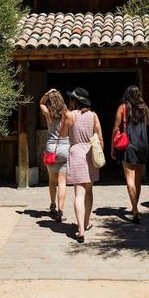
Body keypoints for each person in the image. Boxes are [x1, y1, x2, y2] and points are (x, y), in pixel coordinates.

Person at [64, 87, 103, 243]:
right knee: (89, 190)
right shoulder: (93, 116)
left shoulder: (70, 115)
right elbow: (99, 137)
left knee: (78, 194)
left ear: (75, 101)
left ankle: (80, 230)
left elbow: (63, 134)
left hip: (76, 153)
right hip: (89, 153)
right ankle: (86, 223)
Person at [111, 85, 149, 223]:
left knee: (130, 180)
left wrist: (112, 148)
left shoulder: (122, 108)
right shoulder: (144, 108)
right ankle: (135, 207)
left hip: (129, 146)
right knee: (138, 180)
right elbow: (148, 122)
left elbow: (116, 129)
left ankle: (135, 209)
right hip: (142, 145)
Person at [40, 89, 72, 222]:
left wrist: (47, 94)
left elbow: (41, 103)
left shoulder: (48, 114)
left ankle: (52, 204)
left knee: (52, 180)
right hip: (65, 147)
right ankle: (60, 210)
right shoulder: (68, 114)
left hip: (51, 148)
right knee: (62, 182)